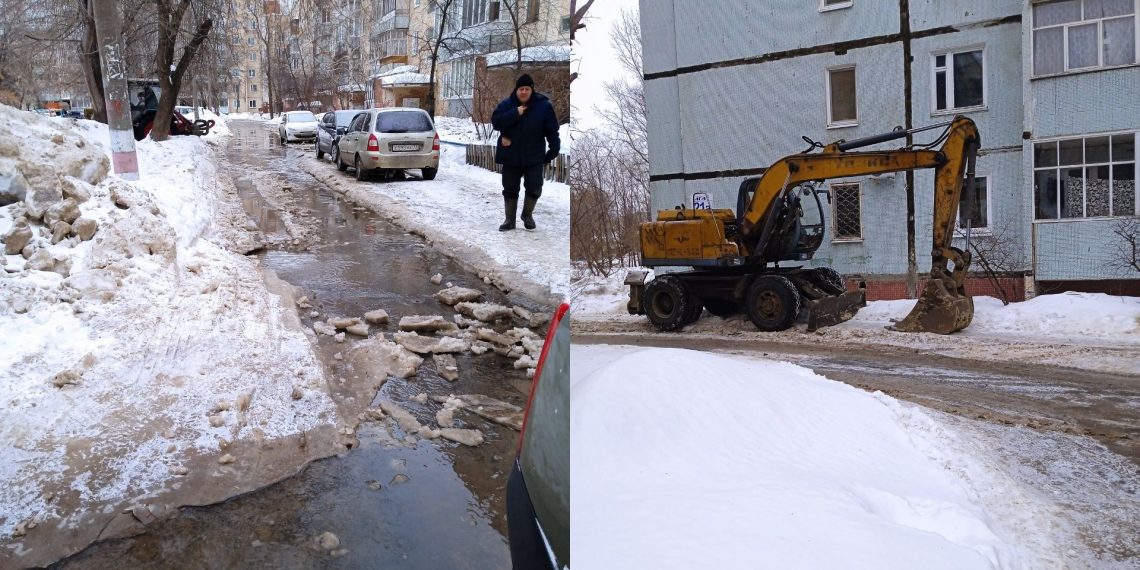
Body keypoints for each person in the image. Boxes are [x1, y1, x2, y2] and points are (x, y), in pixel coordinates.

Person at [490, 74, 560, 231]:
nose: (523, 92)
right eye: (521, 89)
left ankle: (527, 215)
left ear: (532, 90)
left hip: (534, 156)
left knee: (535, 187)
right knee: (509, 188)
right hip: (511, 155)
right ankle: (509, 220)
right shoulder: (507, 105)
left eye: (527, 89)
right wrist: (515, 113)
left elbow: (552, 130)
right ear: (516, 90)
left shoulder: (543, 106)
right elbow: (496, 122)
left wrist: (554, 149)